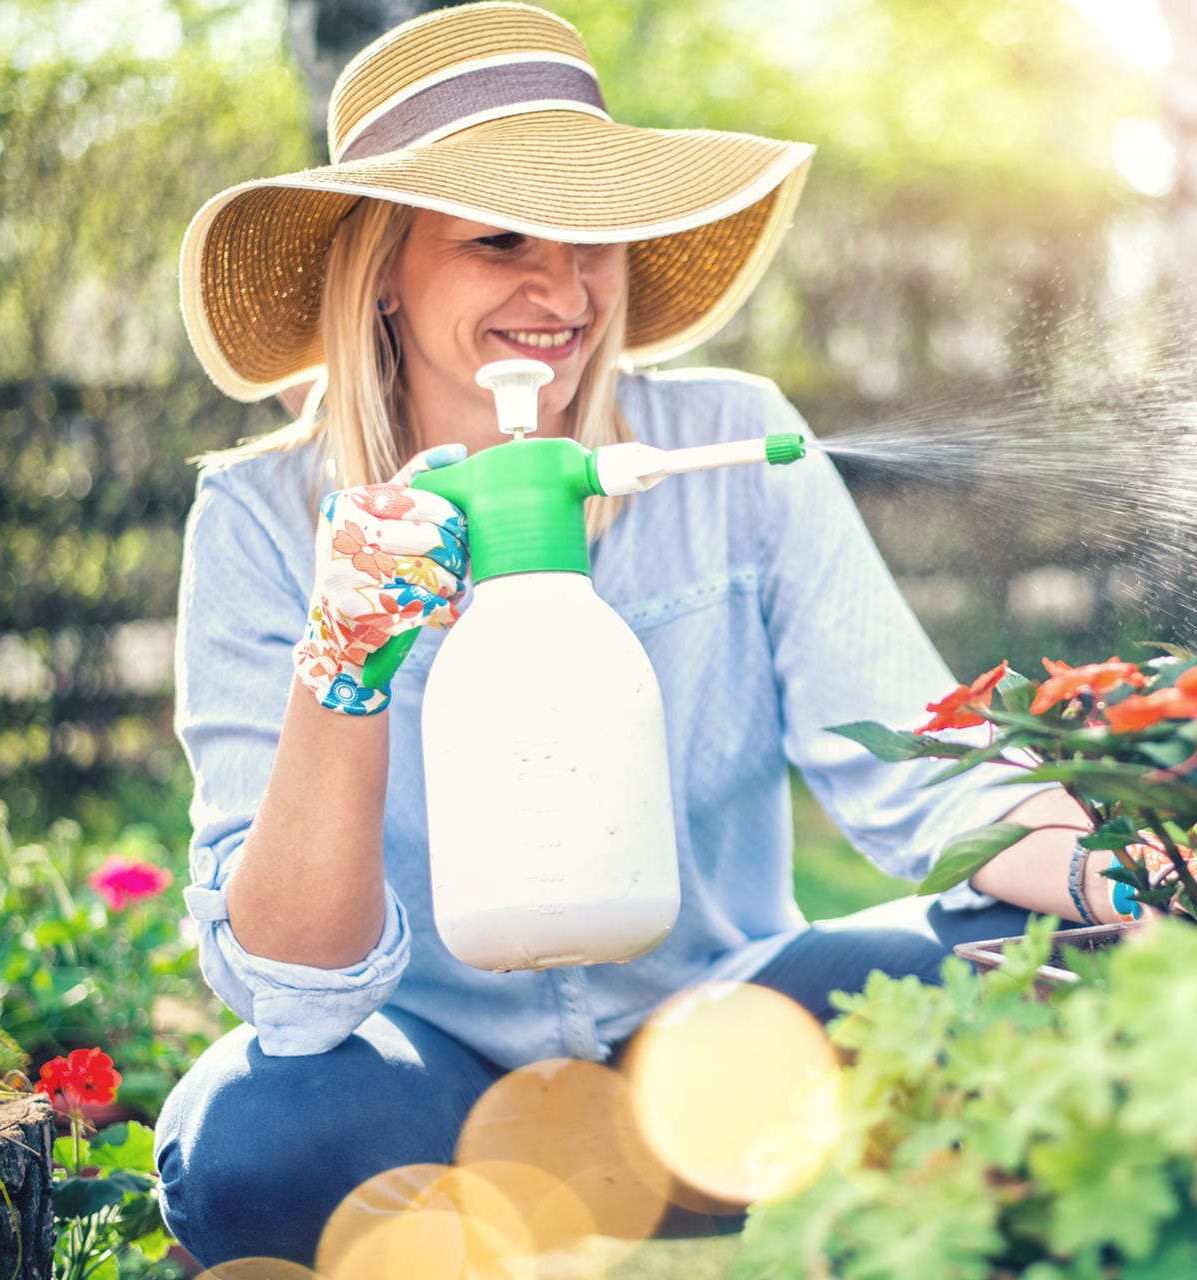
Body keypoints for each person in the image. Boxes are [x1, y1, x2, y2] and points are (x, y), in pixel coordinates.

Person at [153, 1, 1128, 1264]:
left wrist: (1134, 884)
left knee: (1030, 972)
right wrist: (345, 659)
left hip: (721, 1055)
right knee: (258, 1136)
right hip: (429, 1094)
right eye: (500, 240)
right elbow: (291, 990)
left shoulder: (726, 446)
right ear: (382, 268)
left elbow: (927, 772)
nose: (562, 293)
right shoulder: (261, 520)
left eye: (594, 240)